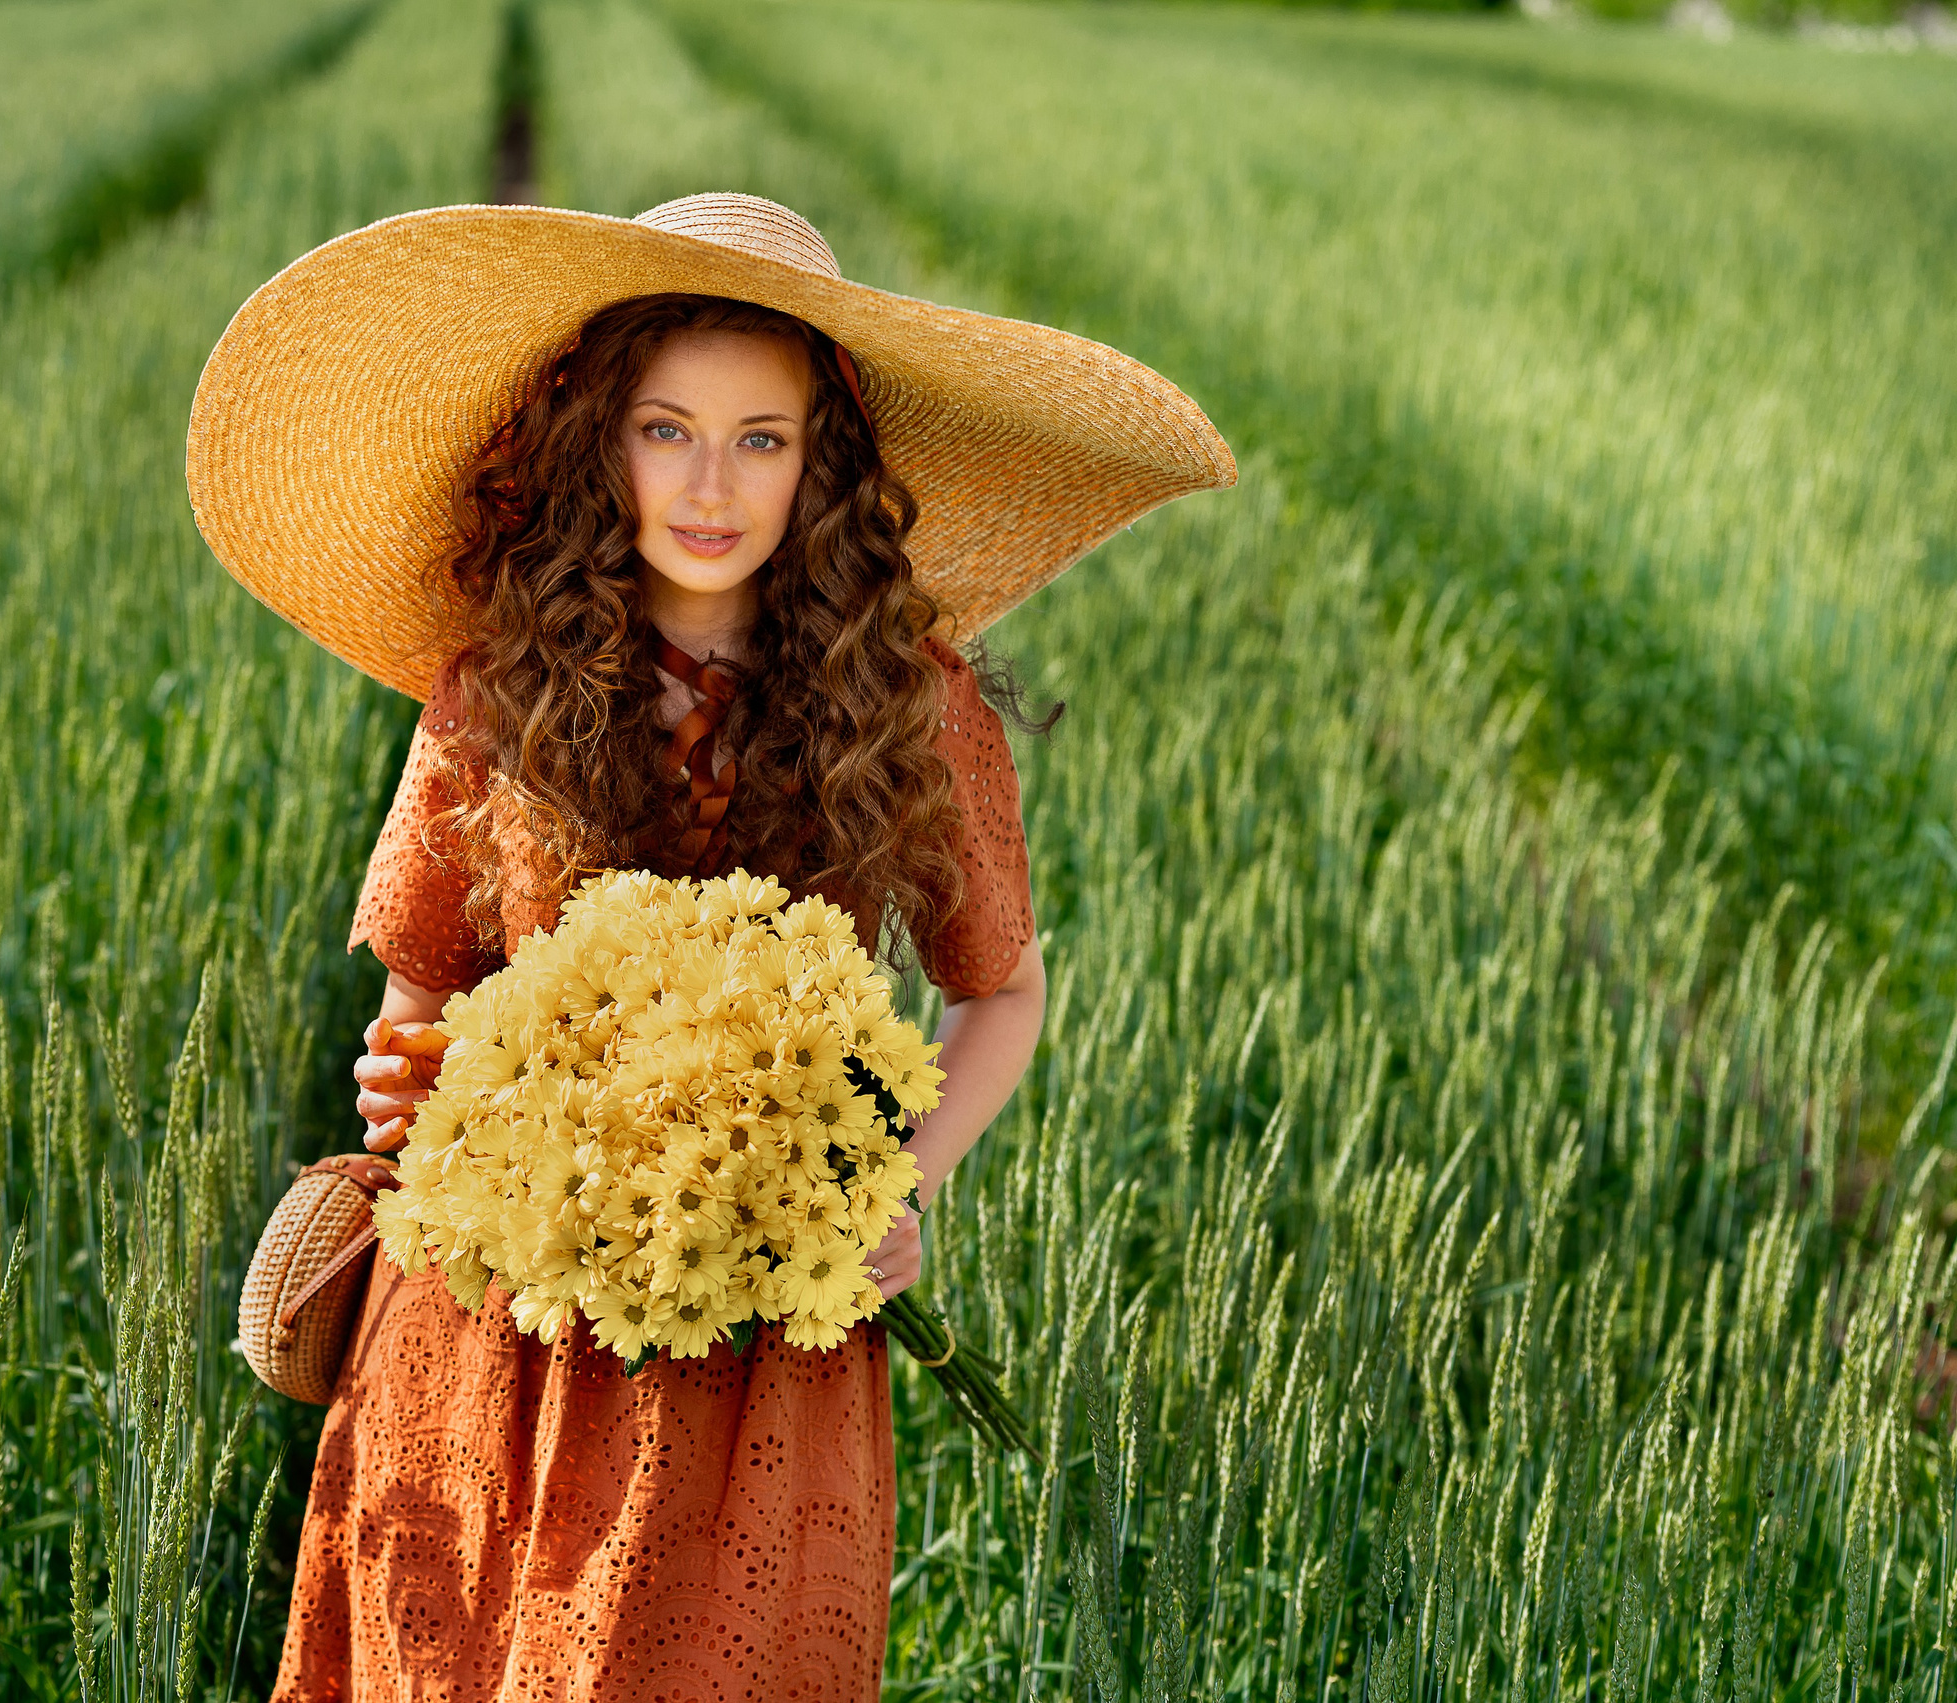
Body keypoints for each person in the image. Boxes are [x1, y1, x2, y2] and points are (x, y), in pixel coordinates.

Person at [186, 192, 1231, 1703]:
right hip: (503, 1334)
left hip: (765, 1350)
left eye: (762, 439)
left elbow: (1002, 990)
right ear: (599, 441)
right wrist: (412, 1086)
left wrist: (893, 1186)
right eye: (667, 430)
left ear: (823, 465)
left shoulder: (912, 706)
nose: (710, 486)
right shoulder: (494, 693)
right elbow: (416, 1008)